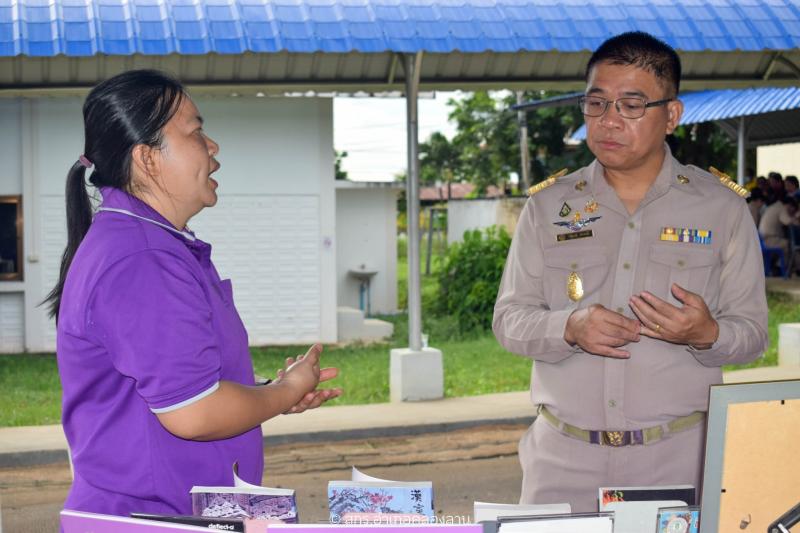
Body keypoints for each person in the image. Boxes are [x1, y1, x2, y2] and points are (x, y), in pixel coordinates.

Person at [45, 70, 342, 518]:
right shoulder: (141, 258)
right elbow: (195, 412)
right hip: (154, 516)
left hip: (183, 509)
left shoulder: (156, 245)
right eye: (196, 131)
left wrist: (270, 392)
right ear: (147, 159)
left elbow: (182, 382)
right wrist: (284, 393)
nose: (213, 147)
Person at [493, 31, 768, 512]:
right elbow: (509, 319)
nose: (608, 121)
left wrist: (708, 334)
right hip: (563, 462)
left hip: (679, 460)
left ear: (672, 115)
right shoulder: (549, 207)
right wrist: (569, 326)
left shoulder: (721, 209)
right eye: (596, 103)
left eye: (631, 105)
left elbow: (752, 333)